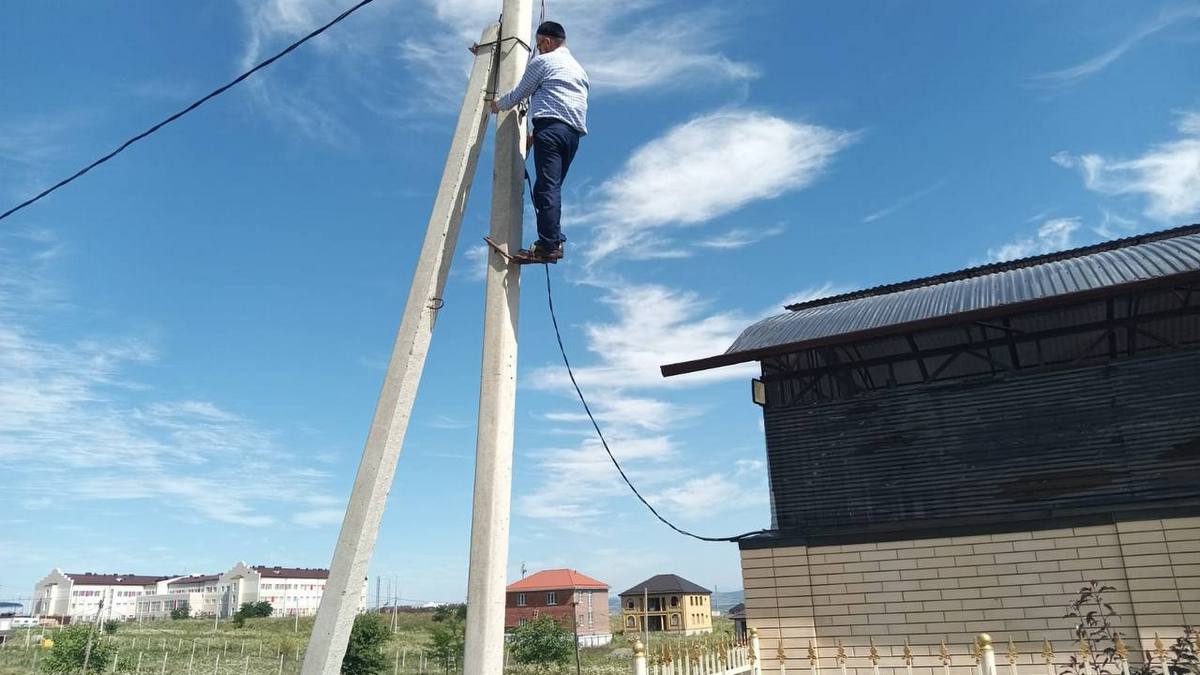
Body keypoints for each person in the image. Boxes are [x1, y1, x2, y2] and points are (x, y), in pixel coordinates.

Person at [491, 20, 589, 263]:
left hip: (551, 131)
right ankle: (553, 241)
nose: (539, 49)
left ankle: (548, 245)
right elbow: (563, 104)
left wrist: (497, 105)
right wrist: (536, 135)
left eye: (539, 45)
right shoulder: (578, 69)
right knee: (551, 188)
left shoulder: (543, 62)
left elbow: (519, 93)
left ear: (546, 41)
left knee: (545, 189)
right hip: (571, 135)